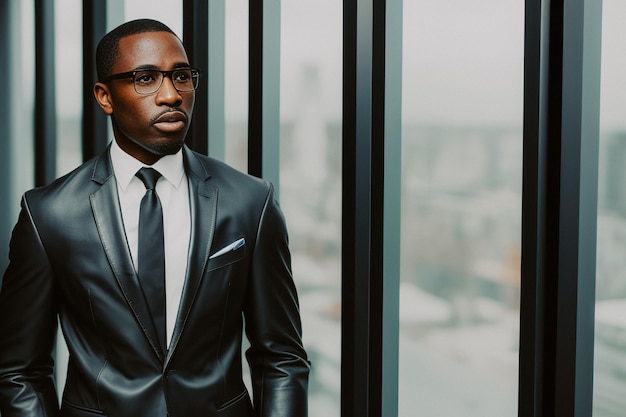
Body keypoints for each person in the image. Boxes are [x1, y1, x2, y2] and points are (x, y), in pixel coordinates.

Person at [0, 18, 309, 417]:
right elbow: (19, 370)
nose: (170, 95)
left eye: (181, 76)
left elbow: (281, 356)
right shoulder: (49, 215)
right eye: (146, 78)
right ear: (104, 96)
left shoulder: (250, 201)